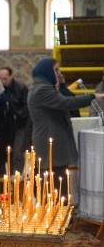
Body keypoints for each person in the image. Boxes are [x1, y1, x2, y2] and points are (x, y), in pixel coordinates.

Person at [28, 57, 104, 198]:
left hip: (54, 143)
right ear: (47, 71)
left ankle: (59, 214)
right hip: (50, 143)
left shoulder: (44, 87)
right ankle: (57, 216)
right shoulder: (41, 89)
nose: (59, 73)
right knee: (55, 183)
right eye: (56, 69)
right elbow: (66, 103)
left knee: (58, 180)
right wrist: (93, 96)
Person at [0, 66, 29, 173]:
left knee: (18, 154)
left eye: (5, 78)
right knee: (7, 153)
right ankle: (7, 179)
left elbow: (27, 106)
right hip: (5, 127)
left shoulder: (21, 88)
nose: (3, 81)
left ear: (11, 76)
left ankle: (17, 177)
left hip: (20, 125)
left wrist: (18, 115)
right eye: (1, 78)